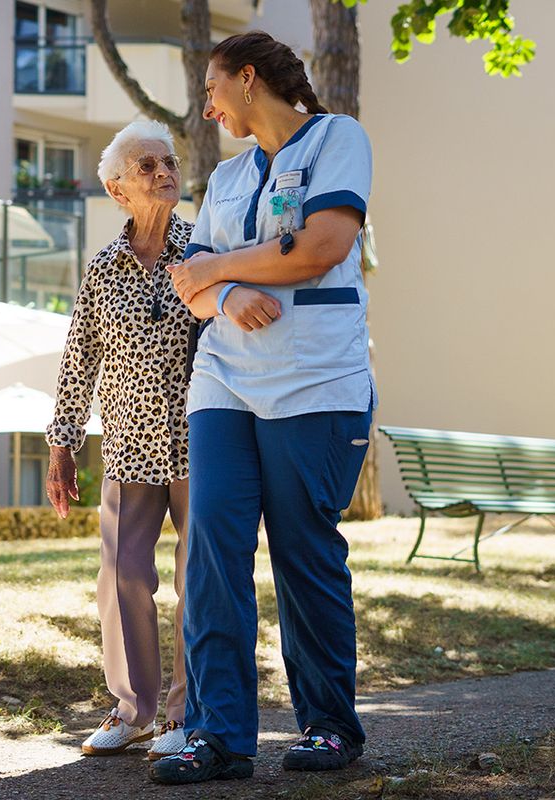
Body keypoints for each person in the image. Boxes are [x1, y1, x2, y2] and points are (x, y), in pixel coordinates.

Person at [148, 31, 376, 785]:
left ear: (249, 79)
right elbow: (190, 283)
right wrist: (226, 288)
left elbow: (322, 247)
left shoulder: (338, 140)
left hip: (315, 383)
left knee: (303, 553)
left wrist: (216, 265)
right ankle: (218, 735)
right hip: (225, 384)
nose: (208, 106)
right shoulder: (230, 176)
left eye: (214, 88)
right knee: (212, 548)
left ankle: (328, 726)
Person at [45, 119, 280, 761]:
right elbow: (79, 360)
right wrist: (62, 443)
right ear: (119, 190)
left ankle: (187, 715)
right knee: (121, 576)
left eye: (168, 161)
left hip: (203, 440)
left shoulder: (204, 248)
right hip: (127, 445)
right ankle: (134, 711)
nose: (163, 172)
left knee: (196, 579)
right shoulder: (102, 269)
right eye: (146, 166)